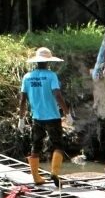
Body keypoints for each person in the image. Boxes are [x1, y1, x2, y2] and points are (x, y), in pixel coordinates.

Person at [19, 47, 70, 186]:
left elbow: (23, 99)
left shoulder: (27, 77)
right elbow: (58, 95)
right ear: (48, 62)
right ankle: (54, 173)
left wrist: (21, 118)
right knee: (58, 145)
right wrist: (67, 113)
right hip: (52, 116)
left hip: (37, 117)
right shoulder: (51, 75)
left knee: (35, 146)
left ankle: (36, 177)